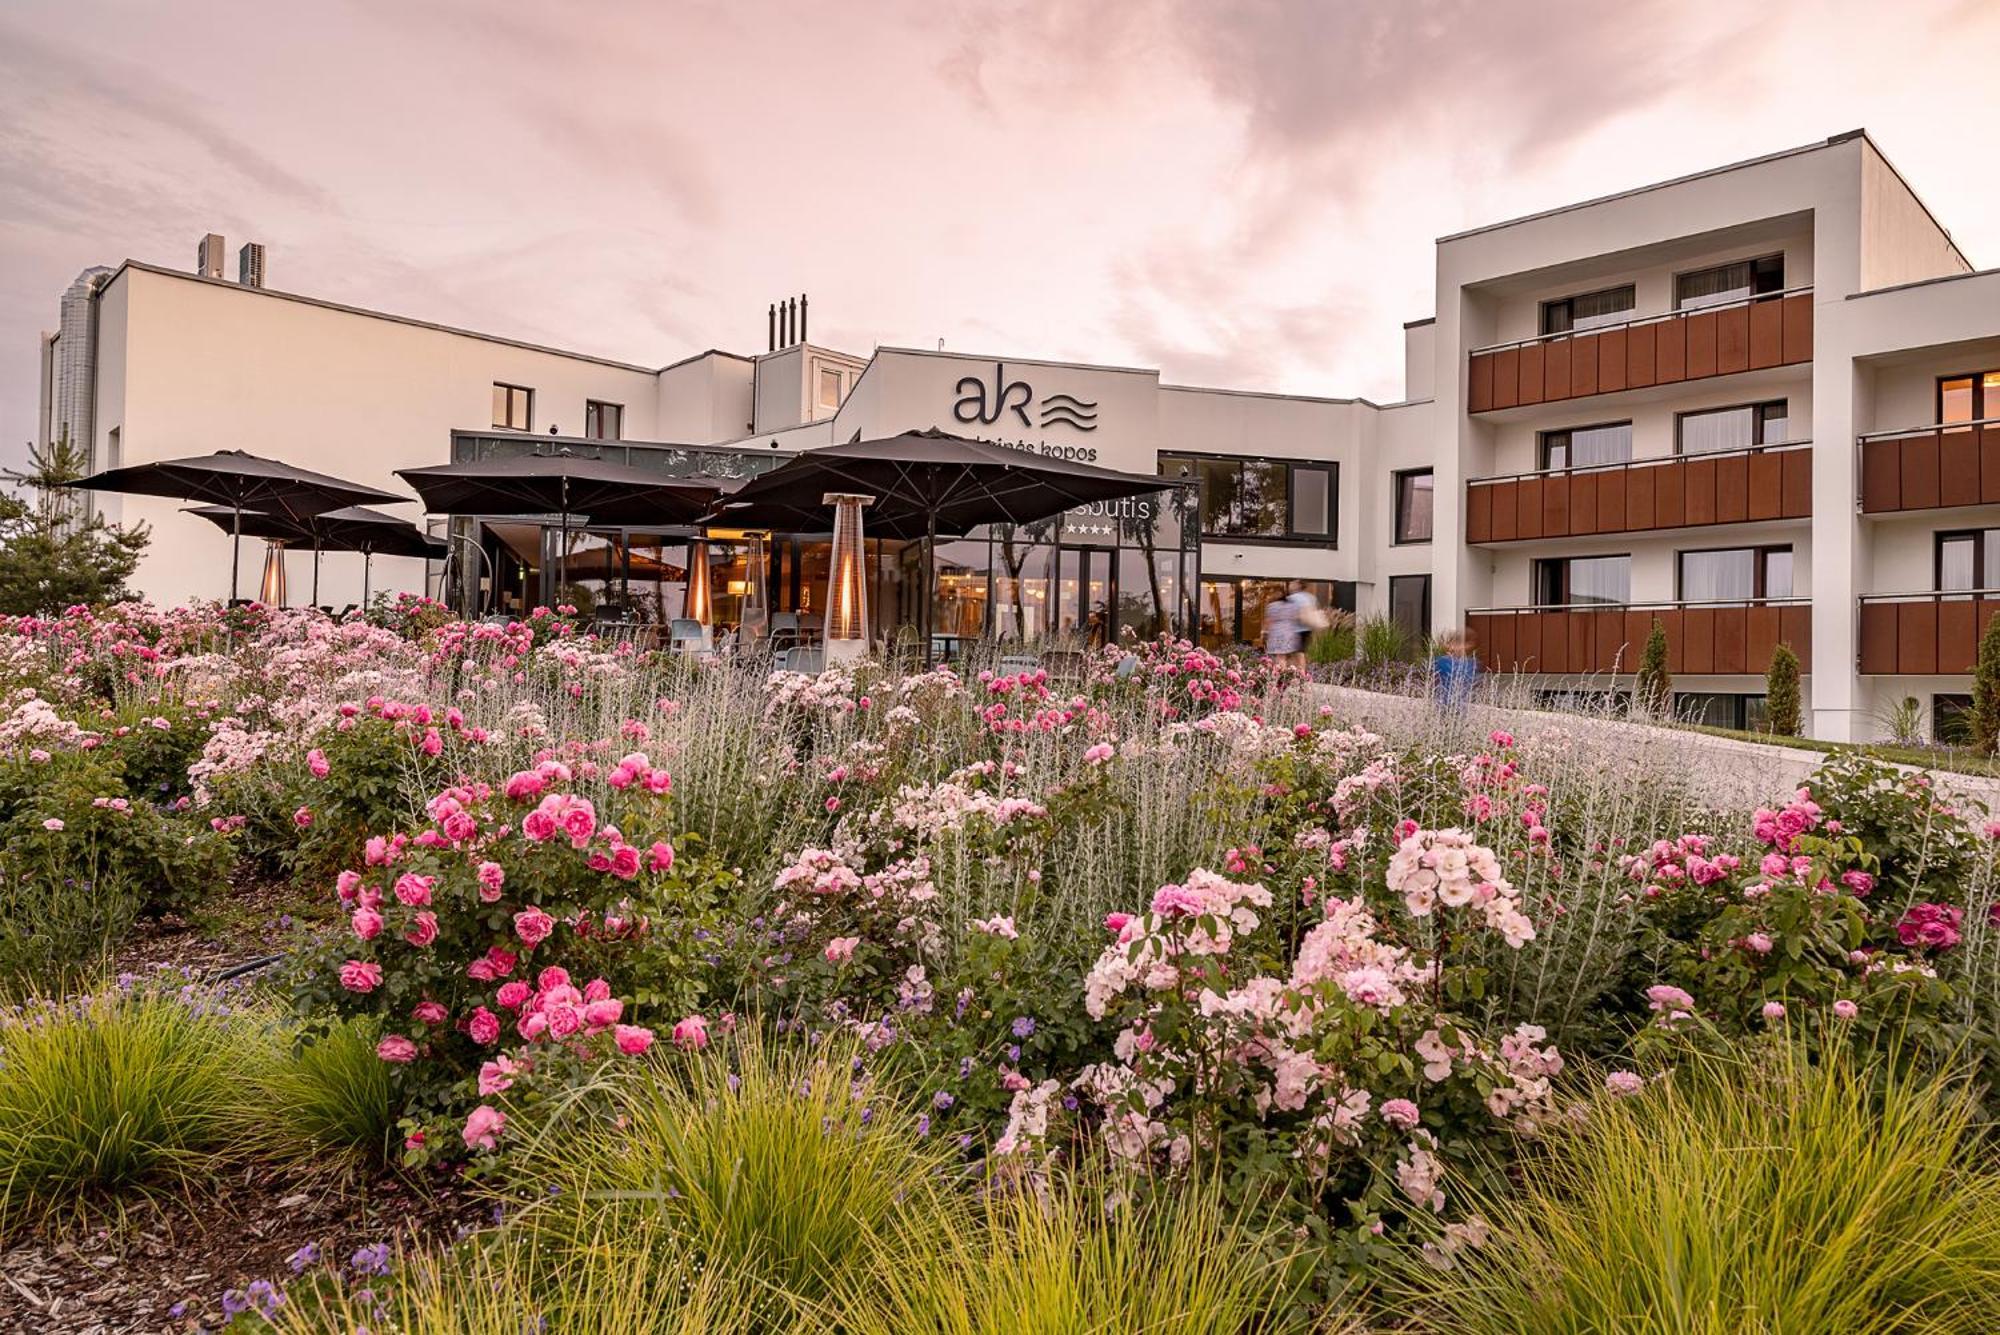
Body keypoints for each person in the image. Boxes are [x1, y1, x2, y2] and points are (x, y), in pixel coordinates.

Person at [1264, 580, 1318, 670]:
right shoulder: (1310, 597)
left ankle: (1289, 673)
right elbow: (1300, 614)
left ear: (1298, 585)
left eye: (1293, 584)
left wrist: (1266, 632)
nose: (1290, 586)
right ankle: (1299, 673)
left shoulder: (1292, 598)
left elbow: (1269, 620)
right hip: (1301, 630)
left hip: (1294, 630)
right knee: (1299, 653)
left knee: (1287, 655)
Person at [1433, 628, 1479, 712]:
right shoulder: (1442, 662)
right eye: (1458, 644)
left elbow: (1473, 684)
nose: (1461, 647)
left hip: (1462, 705)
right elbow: (1434, 681)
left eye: (1468, 644)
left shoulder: (1471, 664)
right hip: (1444, 703)